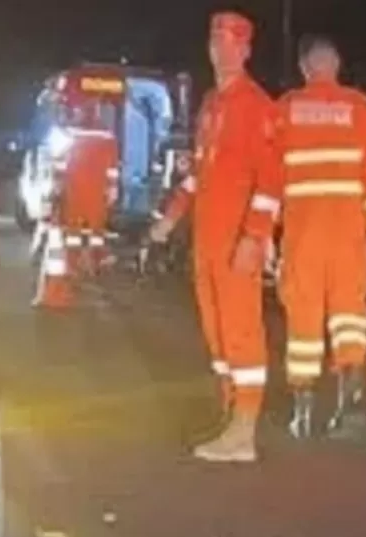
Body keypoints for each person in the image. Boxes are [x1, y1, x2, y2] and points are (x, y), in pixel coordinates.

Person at [149, 10, 281, 462]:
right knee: (217, 335)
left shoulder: (257, 106)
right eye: (216, 42)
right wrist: (170, 219)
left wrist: (255, 238)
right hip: (207, 243)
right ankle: (229, 415)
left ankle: (244, 433)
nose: (222, 51)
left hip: (235, 243)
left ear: (246, 50)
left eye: (231, 43)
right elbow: (199, 176)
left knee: (242, 332)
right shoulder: (211, 105)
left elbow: (271, 181)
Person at [273, 35, 366, 438]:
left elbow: (271, 179)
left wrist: (268, 235)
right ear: (337, 66)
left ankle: (303, 414)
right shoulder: (361, 108)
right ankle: (351, 406)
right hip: (349, 234)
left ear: (305, 69)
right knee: (349, 316)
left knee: (303, 319)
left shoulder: (286, 108)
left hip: (302, 233)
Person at [32, 104, 119, 309]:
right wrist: (112, 189)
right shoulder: (107, 135)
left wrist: (56, 185)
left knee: (72, 232)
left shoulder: (67, 133)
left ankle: (72, 267)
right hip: (98, 190)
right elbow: (113, 166)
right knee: (96, 231)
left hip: (75, 188)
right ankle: (94, 266)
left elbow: (59, 162)